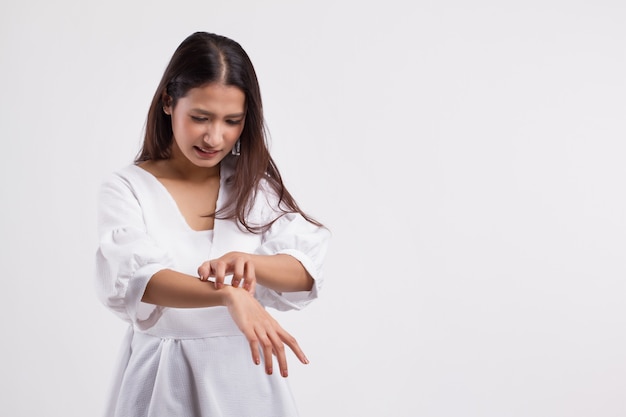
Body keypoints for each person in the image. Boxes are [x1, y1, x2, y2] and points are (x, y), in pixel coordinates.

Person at [95, 31, 330, 417]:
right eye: (200, 118)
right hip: (162, 378)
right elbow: (137, 279)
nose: (214, 137)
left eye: (232, 121)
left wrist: (250, 263)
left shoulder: (252, 184)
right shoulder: (127, 188)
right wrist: (228, 295)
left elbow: (305, 270)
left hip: (247, 380)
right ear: (169, 102)